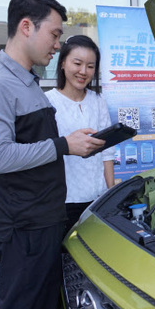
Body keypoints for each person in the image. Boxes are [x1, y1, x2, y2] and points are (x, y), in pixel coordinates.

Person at [0, 0, 105, 309]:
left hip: (46, 220)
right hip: (23, 227)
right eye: (55, 34)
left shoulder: (27, 82)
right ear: (26, 26)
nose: (57, 44)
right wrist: (63, 145)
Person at [45, 35, 115, 232]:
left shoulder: (97, 100)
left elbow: (106, 151)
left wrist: (109, 193)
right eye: (77, 63)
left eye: (90, 66)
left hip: (98, 197)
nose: (83, 71)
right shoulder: (47, 102)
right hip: (64, 199)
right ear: (63, 63)